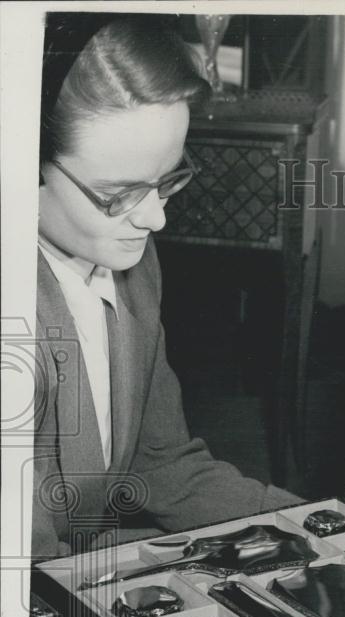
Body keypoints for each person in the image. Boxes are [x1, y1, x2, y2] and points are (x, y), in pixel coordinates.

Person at [33, 13, 295, 559]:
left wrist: (314, 522)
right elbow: (29, 566)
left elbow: (165, 464)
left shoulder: (132, 264)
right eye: (120, 193)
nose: (156, 220)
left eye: (167, 180)